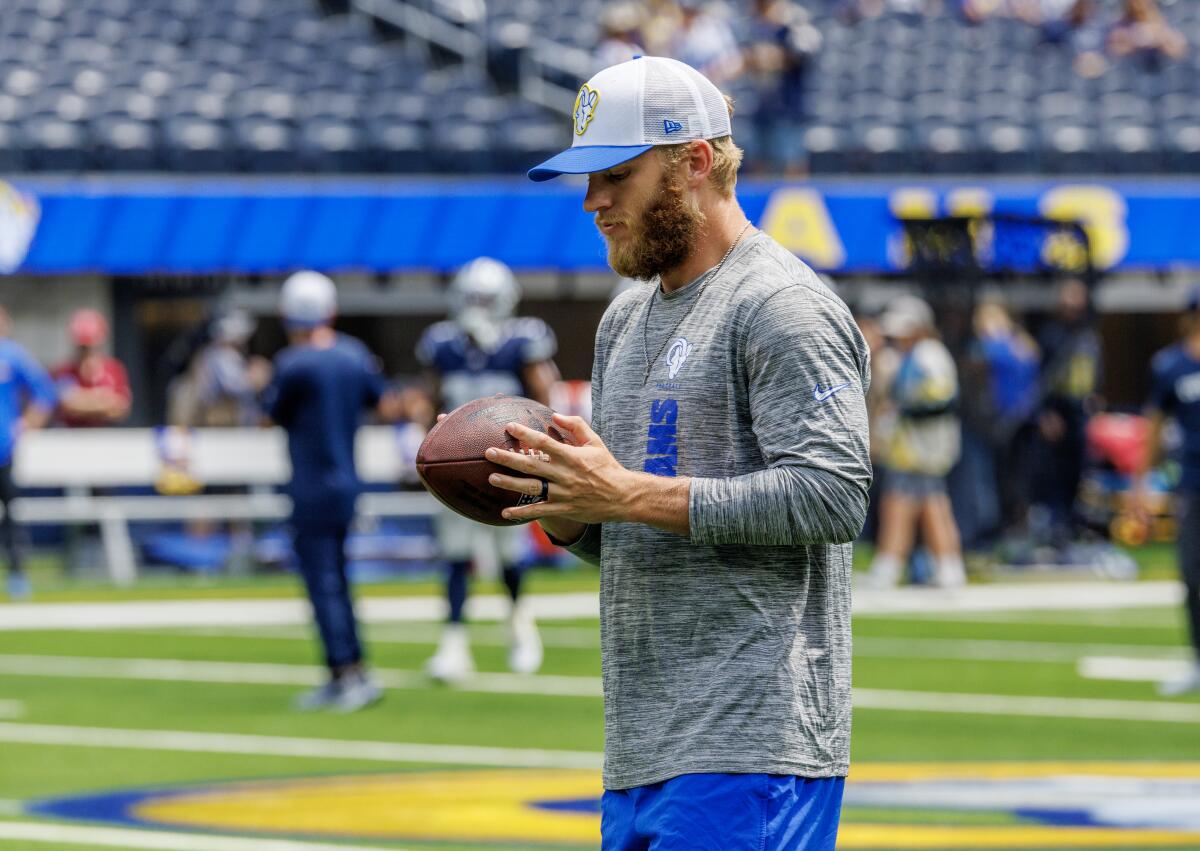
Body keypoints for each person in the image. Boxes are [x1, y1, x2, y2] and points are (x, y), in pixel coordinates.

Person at [509, 56, 870, 849]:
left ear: (695, 161)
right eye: (587, 179)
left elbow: (835, 494)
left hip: (753, 740)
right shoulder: (622, 319)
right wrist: (561, 503)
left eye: (617, 176)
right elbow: (626, 525)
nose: (593, 202)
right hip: (643, 741)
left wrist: (626, 494)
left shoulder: (780, 304)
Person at [416, 257, 560, 682]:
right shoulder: (442, 344)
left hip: (511, 466)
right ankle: (454, 645)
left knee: (510, 554)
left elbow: (543, 403)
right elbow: (429, 402)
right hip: (455, 467)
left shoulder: (523, 340)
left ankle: (520, 627)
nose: (477, 305)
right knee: (456, 555)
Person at [263, 271, 400, 712]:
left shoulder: (293, 363)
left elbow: (269, 414)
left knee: (322, 584)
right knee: (339, 580)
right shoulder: (353, 355)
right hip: (347, 483)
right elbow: (381, 402)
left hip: (310, 486)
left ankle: (344, 672)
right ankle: (352, 668)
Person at [866, 295, 966, 589]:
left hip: (922, 447)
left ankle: (889, 565)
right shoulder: (910, 356)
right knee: (931, 503)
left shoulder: (929, 356)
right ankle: (946, 566)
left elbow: (941, 400)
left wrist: (903, 411)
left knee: (900, 503)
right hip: (913, 447)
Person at [1135, 286, 1200, 697]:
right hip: (1192, 481)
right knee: (1193, 573)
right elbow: (1154, 428)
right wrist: (1140, 485)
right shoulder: (1170, 366)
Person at [1031, 278, 1102, 547]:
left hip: (1080, 413)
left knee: (1078, 472)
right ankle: (1055, 529)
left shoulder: (1088, 336)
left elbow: (1094, 372)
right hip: (1057, 412)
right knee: (1055, 474)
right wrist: (1046, 414)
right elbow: (1041, 379)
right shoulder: (1051, 335)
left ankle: (1073, 526)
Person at [0, 307, 56, 599]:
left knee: (12, 516)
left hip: (3, 450)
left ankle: (17, 574)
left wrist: (27, 423)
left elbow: (44, 392)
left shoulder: (11, 355)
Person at [741, 0, 822, 176]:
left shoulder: (794, 19)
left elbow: (803, 53)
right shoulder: (754, 24)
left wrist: (775, 56)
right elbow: (747, 57)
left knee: (792, 162)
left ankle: (796, 201)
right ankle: (757, 203)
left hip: (788, 105)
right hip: (762, 104)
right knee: (758, 161)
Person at [168, 309, 271, 427]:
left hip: (232, 423)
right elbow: (235, 386)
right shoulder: (219, 356)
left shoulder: (221, 355)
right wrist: (257, 378)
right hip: (221, 423)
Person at [51, 309, 131, 428]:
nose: (87, 351)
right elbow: (67, 406)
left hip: (107, 438)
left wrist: (83, 399)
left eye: (91, 346)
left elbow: (121, 408)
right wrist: (103, 400)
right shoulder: (64, 371)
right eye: (83, 347)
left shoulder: (114, 369)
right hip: (71, 439)